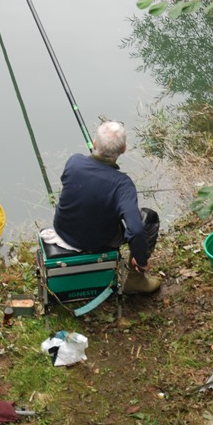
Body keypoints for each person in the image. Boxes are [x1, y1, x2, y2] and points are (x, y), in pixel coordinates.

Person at [53, 120, 161, 294]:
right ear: (123, 149)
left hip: (63, 230)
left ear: (95, 143)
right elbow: (136, 230)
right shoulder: (122, 184)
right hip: (98, 242)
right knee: (150, 218)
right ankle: (136, 280)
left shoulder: (74, 162)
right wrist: (141, 260)